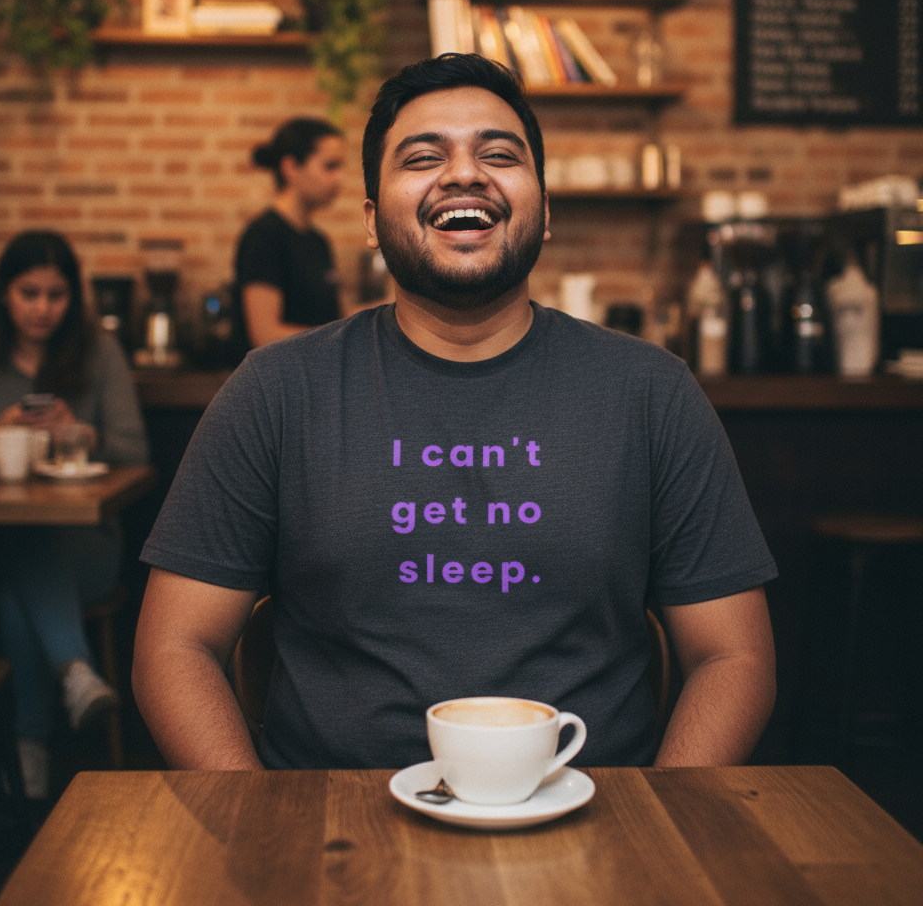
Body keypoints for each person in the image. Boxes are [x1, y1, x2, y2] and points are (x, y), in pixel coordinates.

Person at [134, 54, 777, 773]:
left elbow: (734, 656)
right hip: (328, 838)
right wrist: (263, 828)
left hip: (599, 834)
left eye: (499, 154)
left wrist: (662, 830)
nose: (465, 173)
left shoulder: (652, 392)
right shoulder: (277, 391)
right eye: (422, 157)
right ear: (373, 224)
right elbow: (174, 649)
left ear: (545, 211)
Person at [0, 230, 149, 798]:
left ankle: (29, 747)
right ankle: (75, 673)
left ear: (73, 295)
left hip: (88, 550)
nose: (41, 308)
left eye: (56, 294)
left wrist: (74, 433)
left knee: (22, 553)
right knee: (17, 553)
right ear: (4, 293)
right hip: (11, 545)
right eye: (28, 293)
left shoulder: (96, 351)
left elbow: (134, 450)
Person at [232, 117, 346, 356]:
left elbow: (336, 319)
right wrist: (340, 339)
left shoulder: (318, 241)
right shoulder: (265, 235)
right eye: (330, 166)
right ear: (291, 167)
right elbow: (264, 334)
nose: (340, 179)